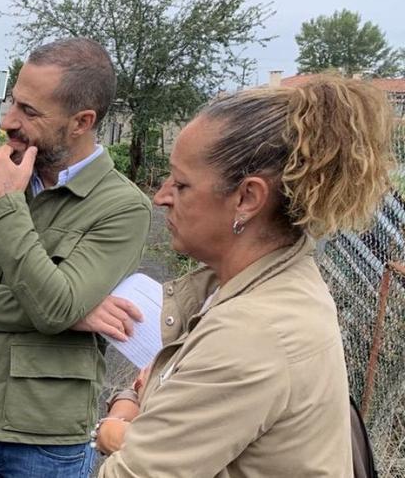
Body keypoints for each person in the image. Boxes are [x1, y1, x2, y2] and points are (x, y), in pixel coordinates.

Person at [94, 76, 395, 476]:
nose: (161, 197)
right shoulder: (273, 281)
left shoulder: (252, 331)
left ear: (247, 198)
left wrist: (117, 424)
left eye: (181, 184)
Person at [0, 38, 153, 477]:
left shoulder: (122, 207)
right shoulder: (2, 175)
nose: (9, 122)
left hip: (46, 444)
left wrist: (6, 207)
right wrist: (73, 313)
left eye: (29, 112)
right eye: (14, 103)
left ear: (81, 122)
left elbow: (53, 307)